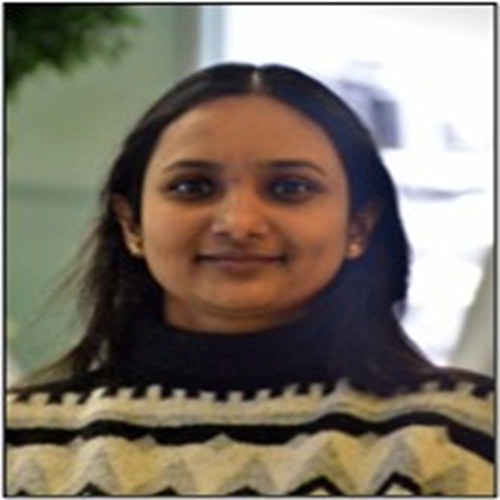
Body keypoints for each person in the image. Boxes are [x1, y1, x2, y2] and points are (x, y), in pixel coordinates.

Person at [7, 63, 493, 496]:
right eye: (193, 187)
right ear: (131, 223)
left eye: (290, 188)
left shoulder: (459, 433)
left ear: (359, 226)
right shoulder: (21, 436)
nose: (238, 223)